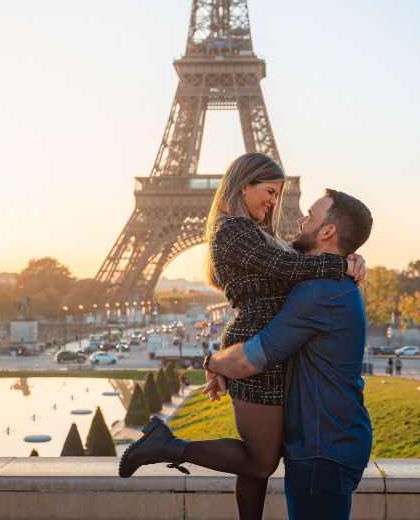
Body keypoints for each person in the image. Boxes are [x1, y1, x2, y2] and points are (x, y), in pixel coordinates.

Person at [118, 153, 365, 520]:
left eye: (279, 194)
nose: (274, 202)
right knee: (261, 461)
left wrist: (352, 256)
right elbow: (285, 266)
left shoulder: (254, 232)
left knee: (258, 458)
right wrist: (342, 263)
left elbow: (296, 259)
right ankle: (167, 445)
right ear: (243, 185)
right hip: (256, 343)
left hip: (267, 344)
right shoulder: (232, 228)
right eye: (268, 191)